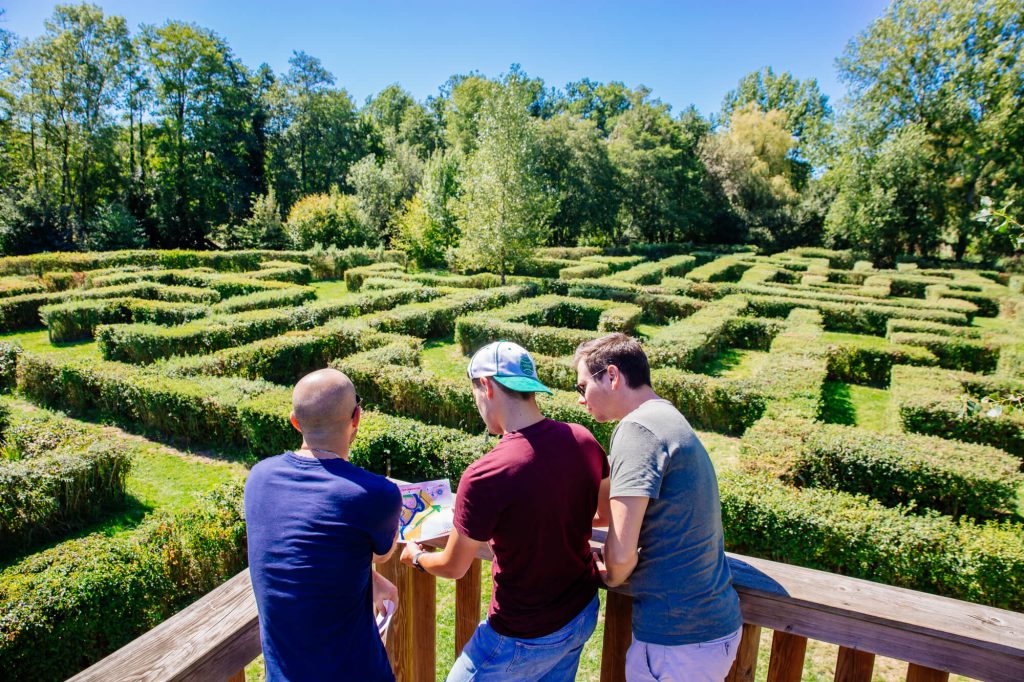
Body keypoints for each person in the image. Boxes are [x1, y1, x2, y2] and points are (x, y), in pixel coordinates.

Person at [401, 340, 609, 682]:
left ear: (486, 386)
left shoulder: (486, 473)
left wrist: (417, 558)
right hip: (580, 614)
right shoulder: (583, 438)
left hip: (521, 634)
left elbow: (454, 567)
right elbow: (603, 514)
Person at [574, 333, 743, 682]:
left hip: (678, 639)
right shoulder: (664, 416)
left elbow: (620, 554)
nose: (581, 400)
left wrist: (606, 575)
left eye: (582, 387)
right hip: (706, 627)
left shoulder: (637, 429)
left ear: (612, 376)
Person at [245, 368, 402, 682]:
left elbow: (301, 545)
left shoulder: (258, 478)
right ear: (357, 417)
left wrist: (367, 577)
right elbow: (382, 554)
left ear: (294, 422)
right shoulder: (376, 494)